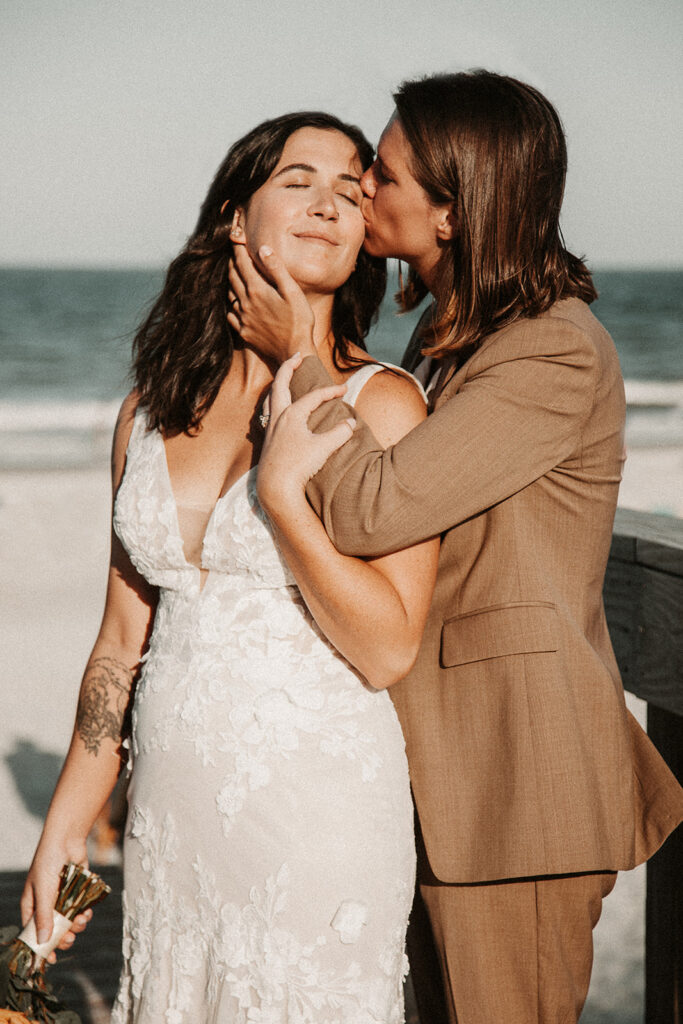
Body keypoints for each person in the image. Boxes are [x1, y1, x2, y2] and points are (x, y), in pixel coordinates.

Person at [226, 72, 683, 1024]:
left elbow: (371, 511)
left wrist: (298, 350)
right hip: (447, 775)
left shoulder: (550, 350)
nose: (359, 194)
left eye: (380, 177)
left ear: (451, 208)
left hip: (513, 784)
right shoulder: (455, 344)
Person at [21, 112, 441, 1023]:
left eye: (350, 188)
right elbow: (118, 644)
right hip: (171, 819)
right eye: (298, 180)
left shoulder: (383, 405)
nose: (330, 204)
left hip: (320, 812)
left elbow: (387, 649)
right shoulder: (145, 415)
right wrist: (63, 826)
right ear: (232, 220)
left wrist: (291, 468)